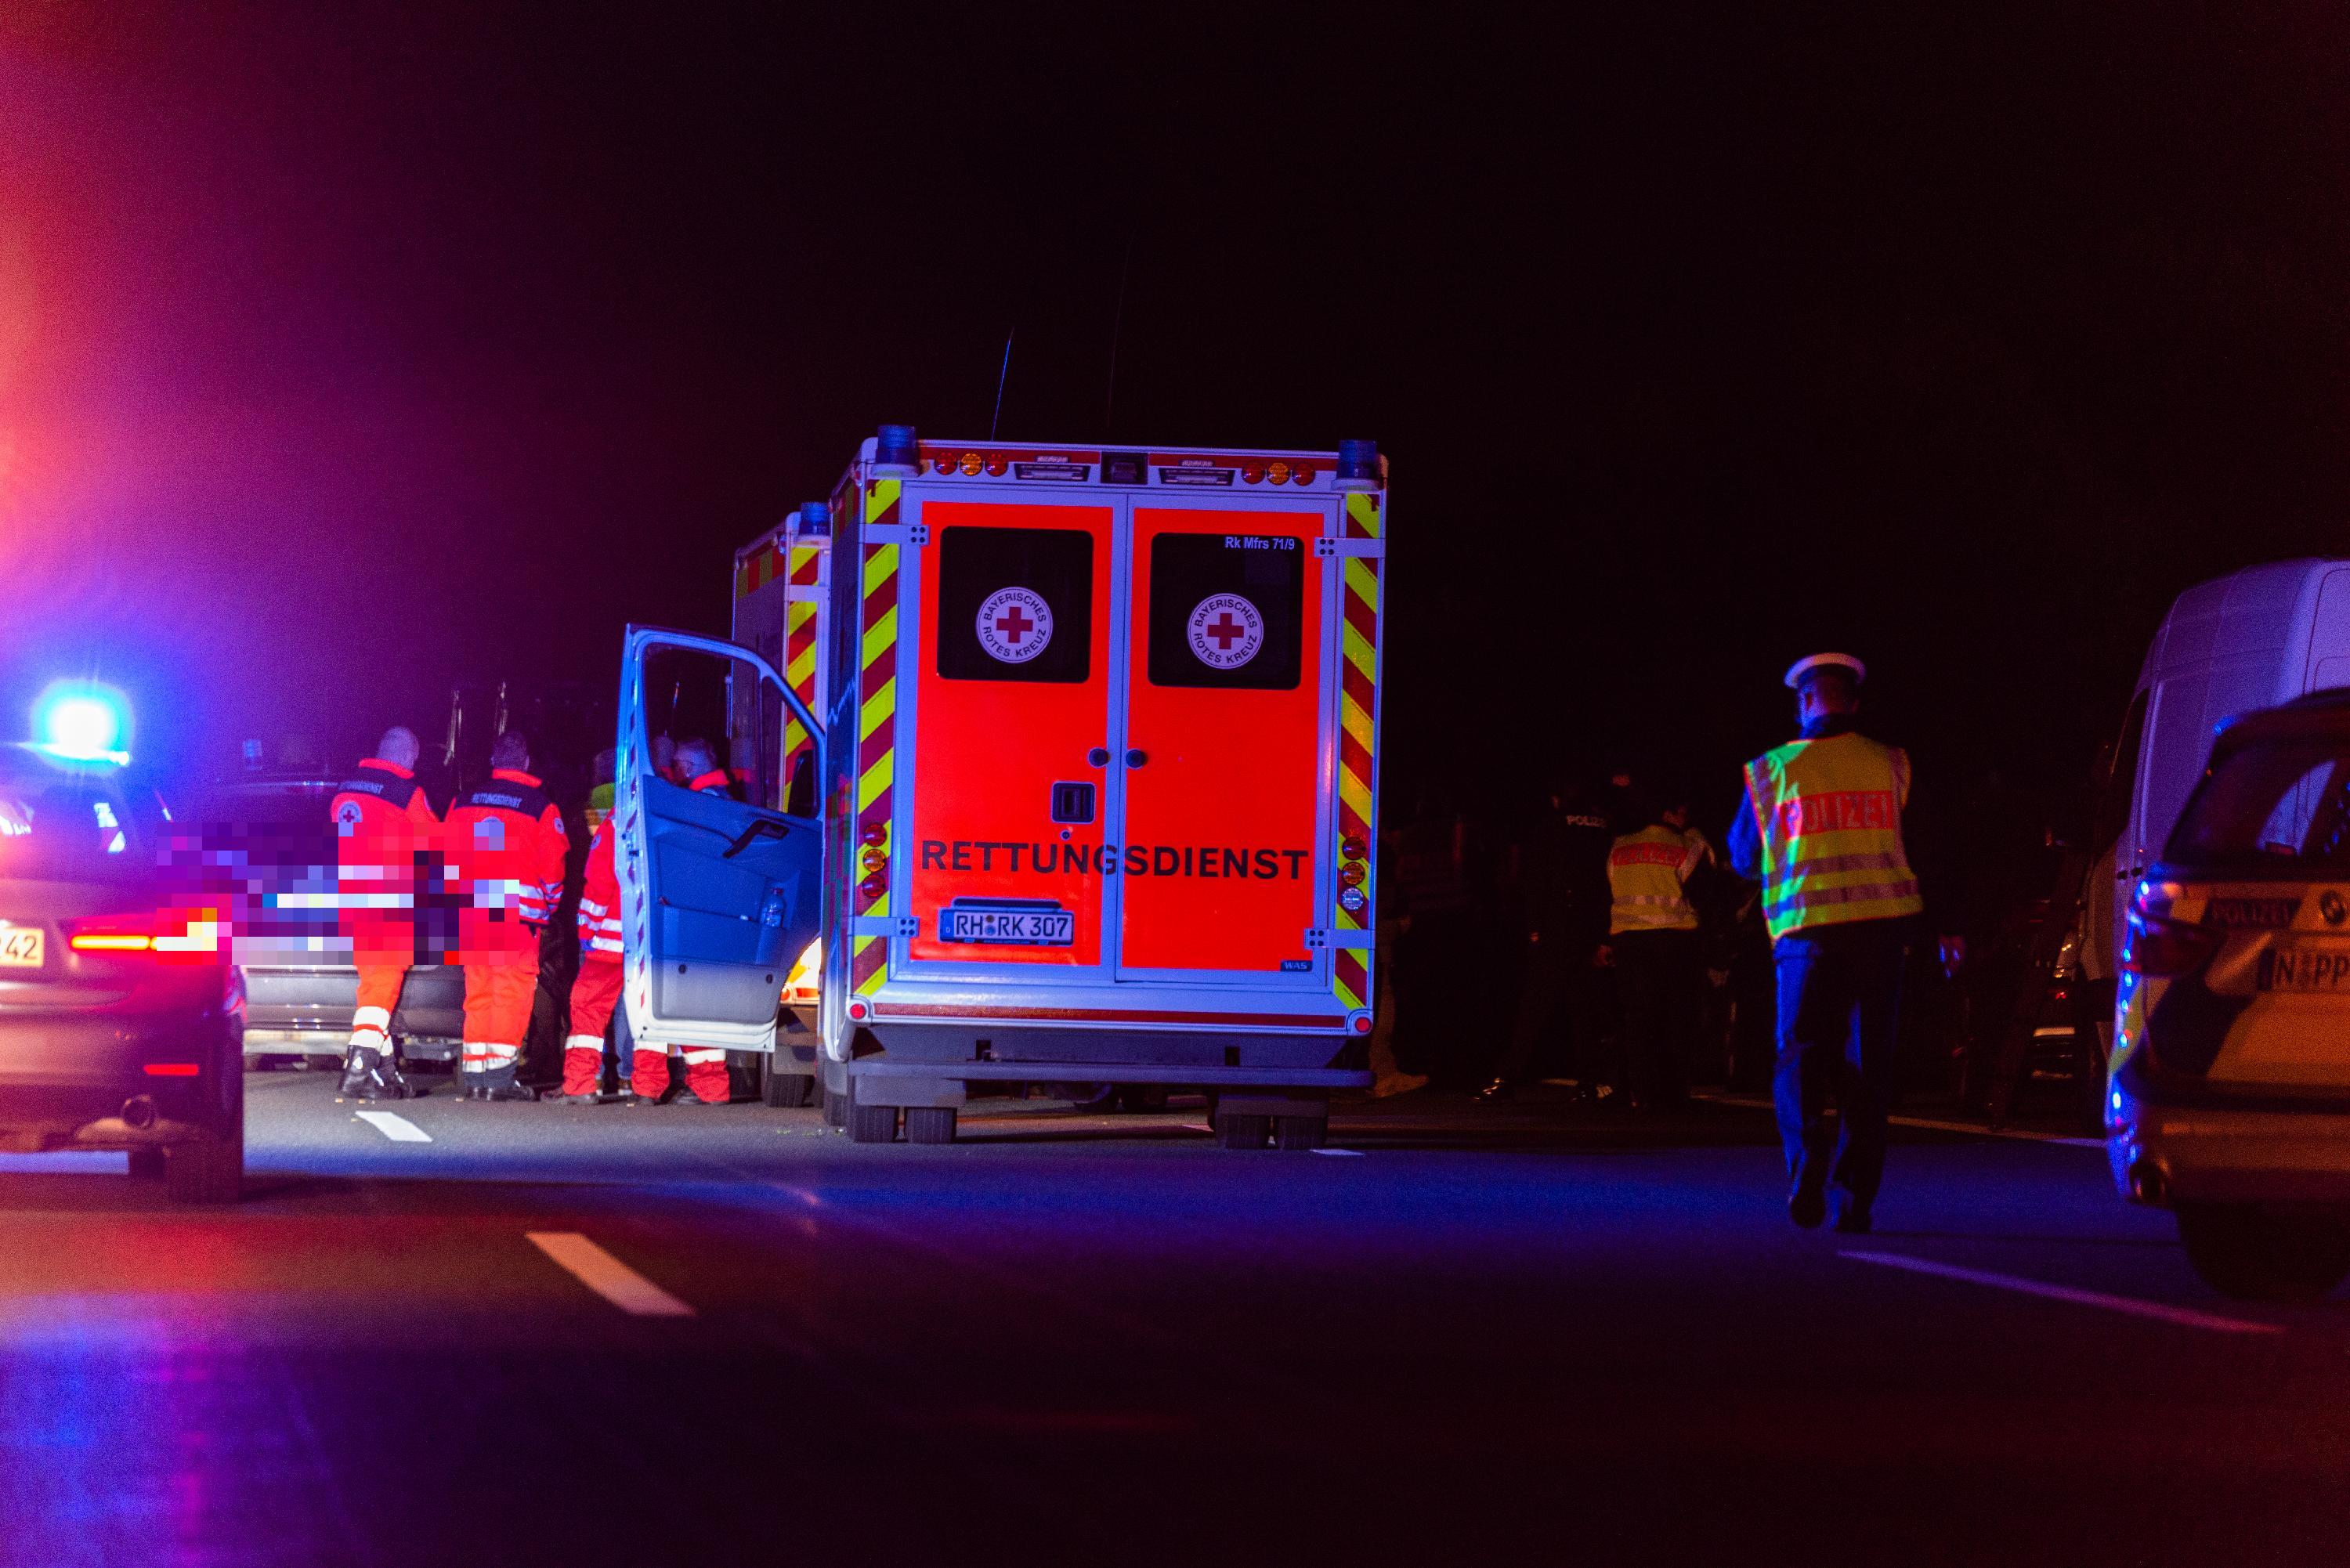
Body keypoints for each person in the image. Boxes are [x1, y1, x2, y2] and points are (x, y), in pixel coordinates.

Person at [1728, 653, 1964, 1234]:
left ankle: (1805, 1170)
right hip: (1881, 935)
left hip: (1805, 937)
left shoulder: (1771, 771)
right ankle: (1854, 1201)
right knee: (1868, 1065)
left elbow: (1743, 857)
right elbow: (1932, 851)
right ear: (1854, 704)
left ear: (1804, 702)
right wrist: (1948, 926)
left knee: (1799, 1056)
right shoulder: (1893, 764)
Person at [445, 731, 568, 1102]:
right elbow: (553, 867)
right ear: (526, 763)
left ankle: (476, 1076)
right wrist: (548, 905)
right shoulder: (539, 806)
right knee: (510, 994)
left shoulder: (463, 801)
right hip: (517, 918)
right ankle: (499, 1078)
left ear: (493, 762)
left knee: (479, 993)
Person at [1477, 775, 1615, 1103]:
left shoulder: (1549, 827)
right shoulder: (1604, 828)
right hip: (1591, 928)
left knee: (1535, 1008)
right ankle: (1589, 1083)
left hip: (1556, 928)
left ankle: (1507, 1077)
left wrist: (1535, 926)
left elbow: (1536, 878)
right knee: (1585, 1010)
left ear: (1556, 799)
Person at [332, 725, 436, 1100]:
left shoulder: (346, 790)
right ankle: (358, 1071)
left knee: (374, 986)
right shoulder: (407, 792)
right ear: (408, 756)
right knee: (382, 986)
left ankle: (384, 1073)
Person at [630, 738, 736, 1107]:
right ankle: (706, 1087)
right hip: (706, 916)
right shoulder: (723, 800)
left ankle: (651, 1086)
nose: (672, 772)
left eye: (676, 766)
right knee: (689, 999)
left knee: (662, 997)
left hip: (687, 915)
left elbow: (687, 862)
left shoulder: (697, 804)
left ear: (688, 768)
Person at [1598, 791, 1705, 1112]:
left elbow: (1608, 890)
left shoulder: (1619, 846)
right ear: (1671, 813)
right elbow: (1704, 894)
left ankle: (1639, 1092)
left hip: (1629, 940)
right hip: (1676, 939)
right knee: (1676, 1016)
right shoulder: (1686, 846)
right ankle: (1674, 1093)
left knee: (1637, 1017)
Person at [554, 750, 625, 1104]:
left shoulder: (600, 806)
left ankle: (588, 1079)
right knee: (632, 1009)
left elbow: (596, 865)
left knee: (588, 1005)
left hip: (603, 931)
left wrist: (585, 929)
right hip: (639, 932)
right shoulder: (650, 810)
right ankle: (633, 1081)